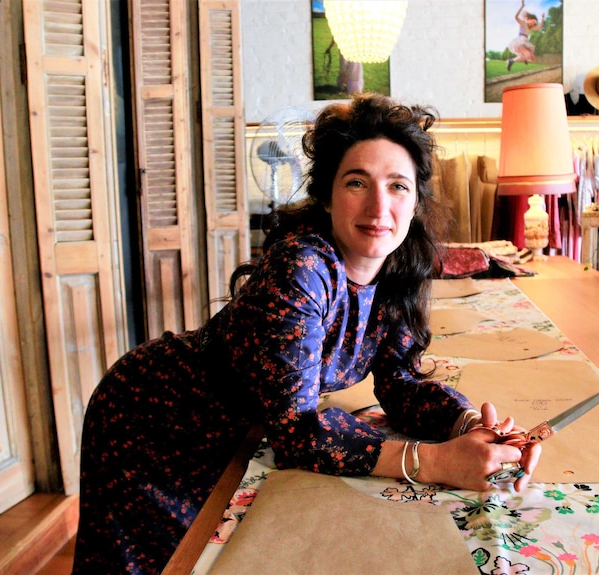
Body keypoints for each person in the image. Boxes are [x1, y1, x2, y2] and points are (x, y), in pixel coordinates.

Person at [71, 93, 542, 574]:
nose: (380, 206)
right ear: (328, 195)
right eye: (357, 181)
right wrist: (440, 462)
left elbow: (400, 384)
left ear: (416, 198)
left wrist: (468, 428)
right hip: (157, 416)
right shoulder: (303, 266)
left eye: (398, 186)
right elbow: (297, 432)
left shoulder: (402, 266)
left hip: (242, 431)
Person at [506, 0, 544, 71]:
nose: (533, 24)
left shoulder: (531, 28)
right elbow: (516, 17)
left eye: (534, 23)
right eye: (532, 21)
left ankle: (523, 57)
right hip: (519, 41)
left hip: (525, 42)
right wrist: (522, 6)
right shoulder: (523, 24)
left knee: (532, 59)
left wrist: (542, 18)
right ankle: (511, 61)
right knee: (528, 55)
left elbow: (539, 27)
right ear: (528, 19)